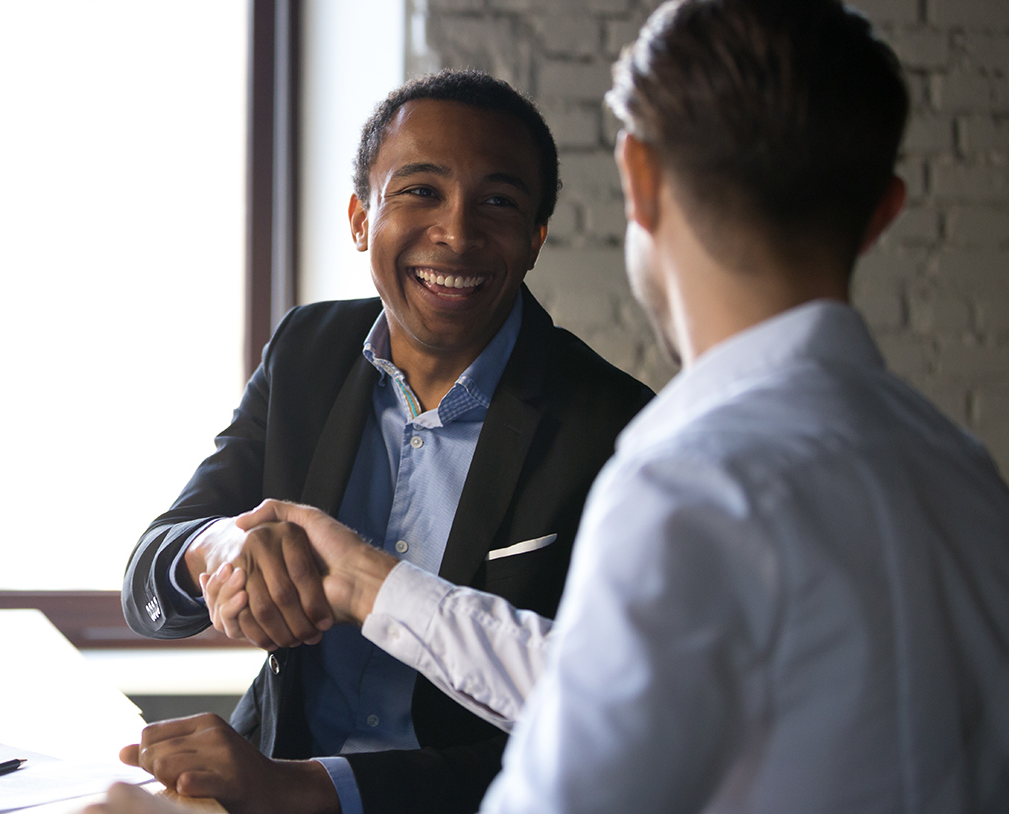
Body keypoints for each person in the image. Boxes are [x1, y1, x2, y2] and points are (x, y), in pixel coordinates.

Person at [192, 1, 1009, 812]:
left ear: (638, 181)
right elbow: (591, 678)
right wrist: (368, 580)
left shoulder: (685, 477)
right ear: (885, 212)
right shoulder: (966, 477)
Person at [118, 69, 654, 814]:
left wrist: (309, 789)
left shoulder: (617, 428)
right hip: (259, 784)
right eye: (420, 191)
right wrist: (219, 551)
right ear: (360, 218)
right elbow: (147, 581)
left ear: (536, 239)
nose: (458, 234)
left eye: (498, 202)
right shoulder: (309, 348)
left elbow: (591, 726)